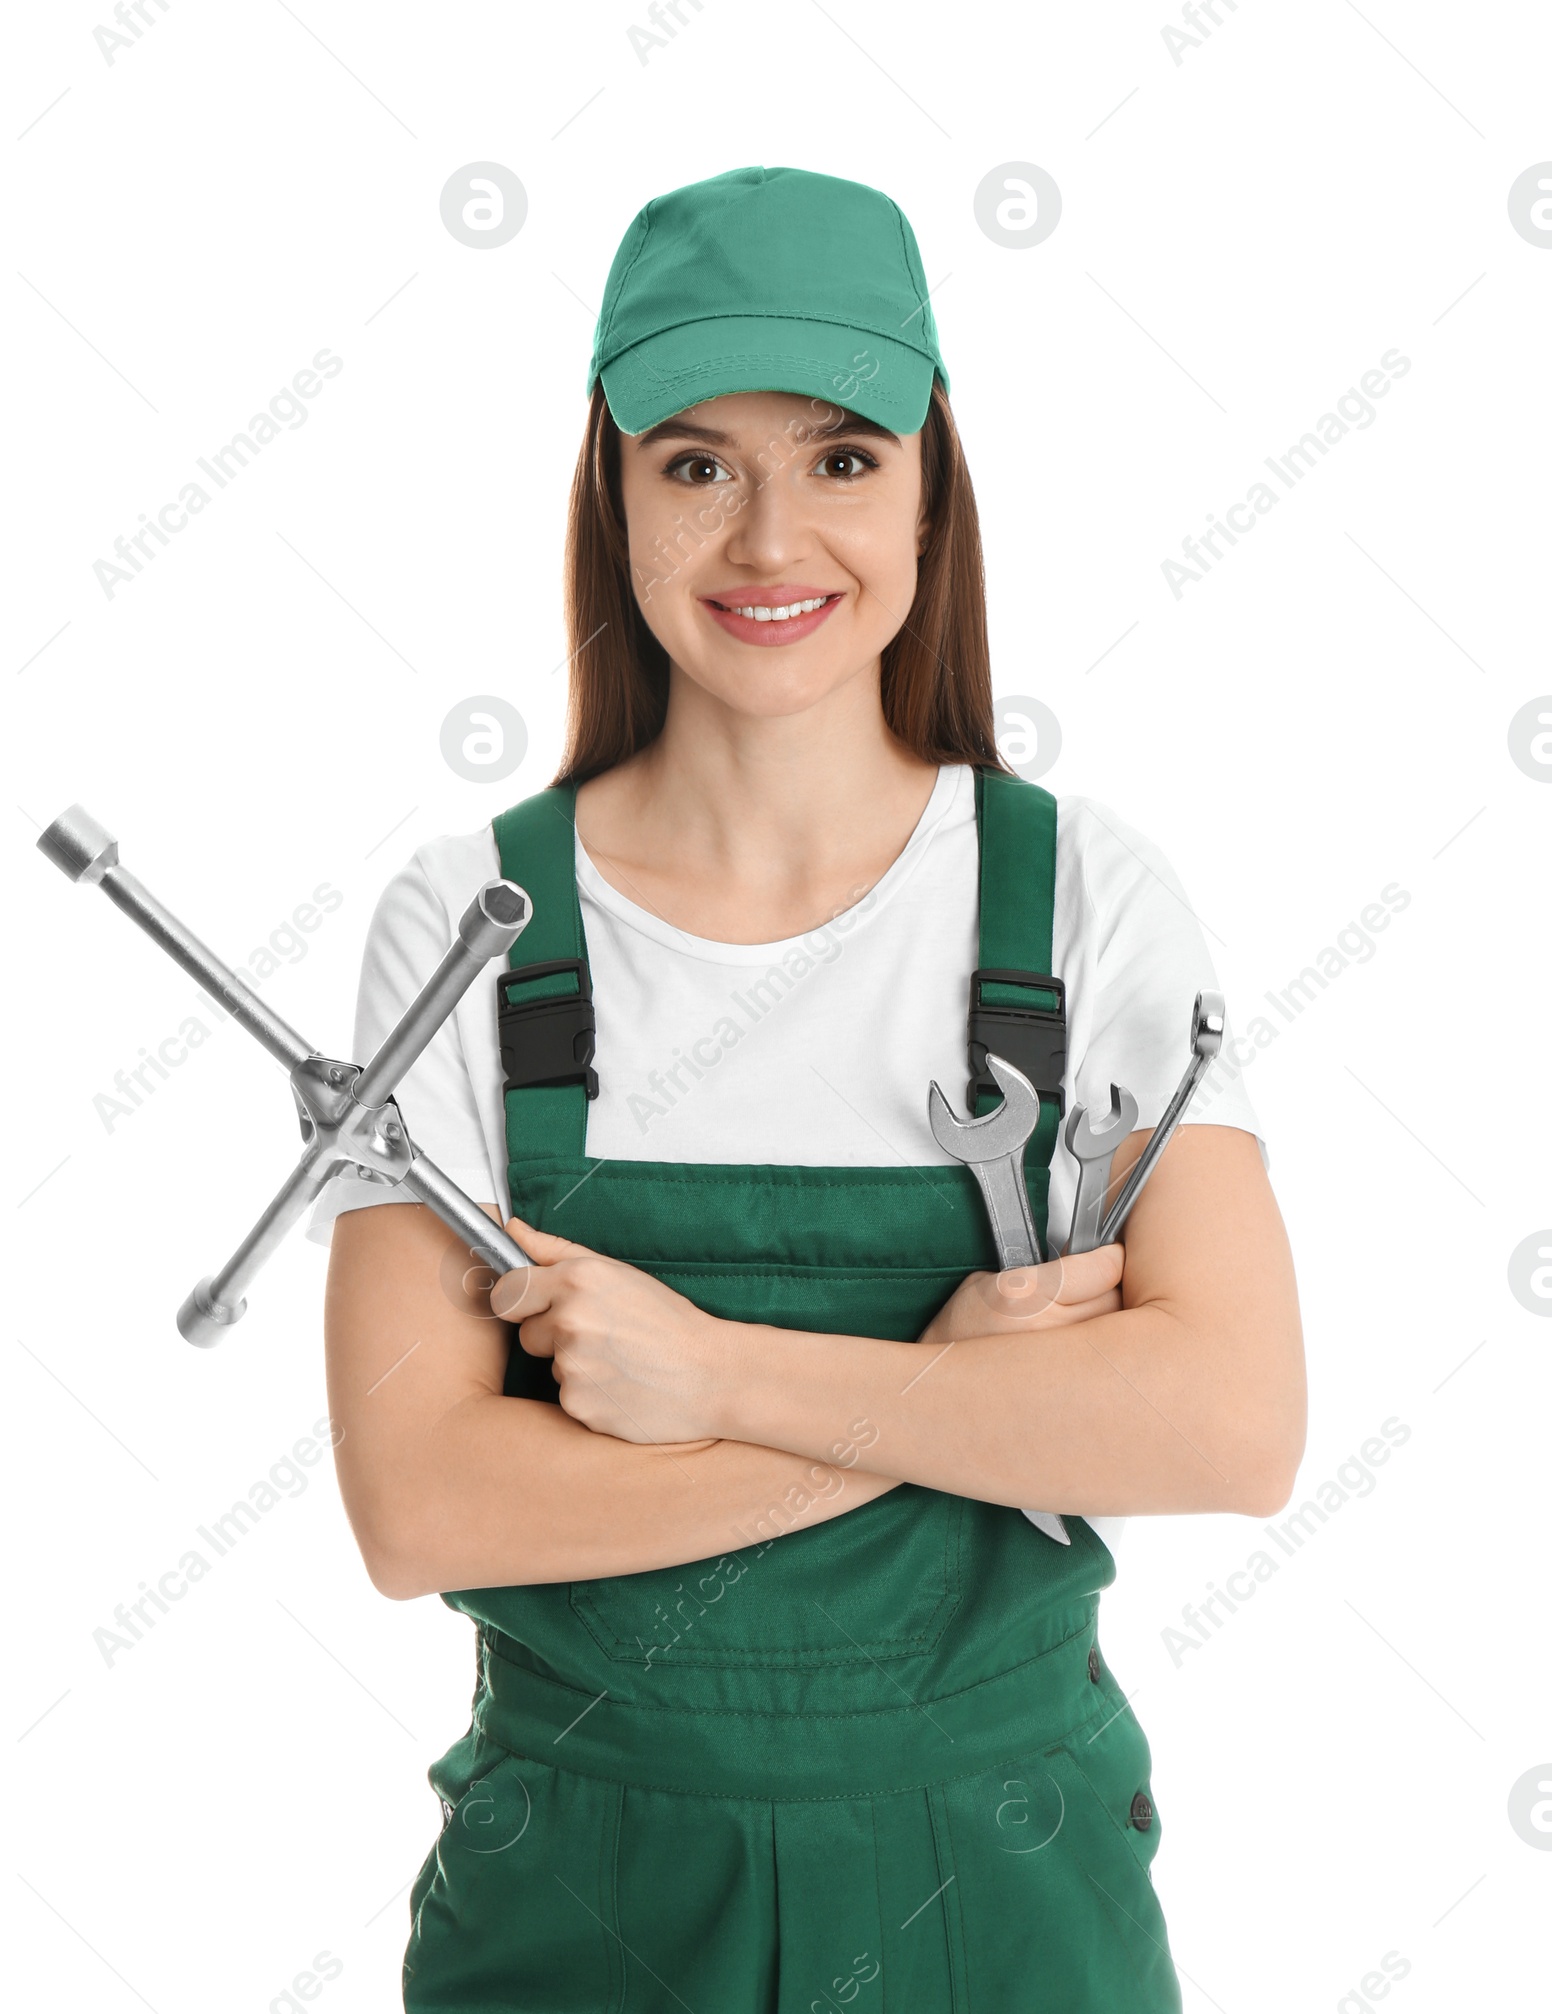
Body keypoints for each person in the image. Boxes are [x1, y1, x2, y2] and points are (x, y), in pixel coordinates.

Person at [309, 164, 1305, 2014]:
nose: (771, 541)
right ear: (611, 492)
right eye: (696, 463)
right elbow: (424, 1507)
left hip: (1001, 1893)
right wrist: (962, 1402)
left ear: (936, 484)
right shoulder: (470, 925)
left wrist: (711, 1379)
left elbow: (1232, 1427)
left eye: (842, 457)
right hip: (582, 1901)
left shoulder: (1085, 900)